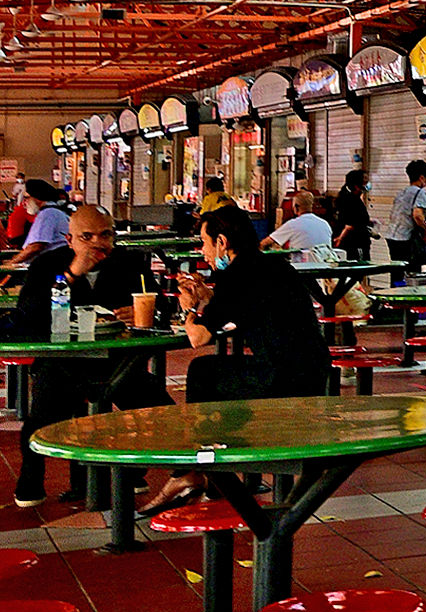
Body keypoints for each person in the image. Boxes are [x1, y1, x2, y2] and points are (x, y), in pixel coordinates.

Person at [141, 205, 333, 514]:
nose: (202, 251)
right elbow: (248, 306)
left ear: (222, 241)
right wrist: (209, 300)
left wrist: (190, 307)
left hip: (283, 379)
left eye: (204, 242)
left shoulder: (237, 275)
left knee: (203, 371)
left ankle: (201, 466)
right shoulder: (270, 266)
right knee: (215, 373)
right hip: (314, 370)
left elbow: (198, 338)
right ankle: (212, 470)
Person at [8, 206, 169, 507]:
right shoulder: (48, 265)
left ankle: (133, 472)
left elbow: (161, 306)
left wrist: (142, 314)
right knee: (40, 422)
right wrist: (70, 276)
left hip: (120, 363)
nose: (98, 243)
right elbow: (26, 316)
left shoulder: (130, 263)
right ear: (70, 240)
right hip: (63, 363)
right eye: (87, 236)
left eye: (106, 234)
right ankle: (30, 481)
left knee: (166, 414)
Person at [382, 161, 426, 281]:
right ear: (422, 177)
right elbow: (417, 216)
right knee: (412, 271)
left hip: (392, 237)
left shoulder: (402, 193)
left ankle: (394, 295)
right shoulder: (419, 193)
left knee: (396, 270)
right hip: (406, 238)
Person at [12, 179, 70, 266]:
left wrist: (11, 263)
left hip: (47, 266)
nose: (24, 202)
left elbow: (35, 247)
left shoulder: (47, 214)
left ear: (37, 198)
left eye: (26, 198)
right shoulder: (55, 212)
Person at [265, 189, 333, 251]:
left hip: (300, 263)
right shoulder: (325, 224)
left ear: (296, 207)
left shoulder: (293, 224)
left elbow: (266, 242)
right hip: (324, 262)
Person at [331, 169, 371, 262]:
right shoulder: (350, 200)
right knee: (358, 269)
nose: (367, 185)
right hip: (354, 242)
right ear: (356, 185)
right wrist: (340, 238)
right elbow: (350, 224)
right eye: (365, 182)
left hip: (352, 241)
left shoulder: (347, 196)